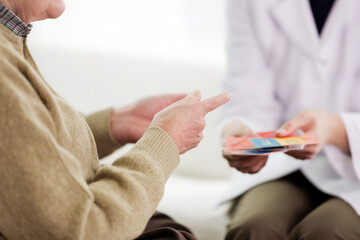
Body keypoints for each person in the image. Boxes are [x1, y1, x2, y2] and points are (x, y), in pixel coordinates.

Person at [0, 0, 231, 239]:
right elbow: (84, 229)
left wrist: (115, 124)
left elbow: (27, 150)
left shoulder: (10, 37)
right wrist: (165, 141)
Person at [221, 0, 360, 239]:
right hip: (285, 166)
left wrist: (336, 129)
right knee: (255, 228)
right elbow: (248, 95)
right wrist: (243, 131)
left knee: (328, 232)